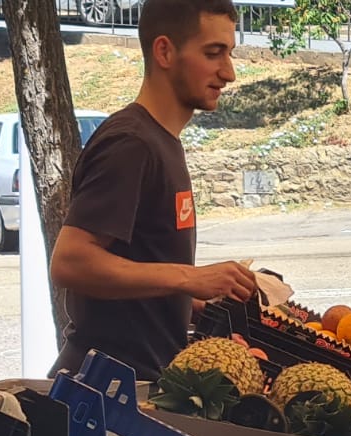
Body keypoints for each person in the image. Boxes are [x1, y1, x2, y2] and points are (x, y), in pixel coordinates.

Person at [48, 0, 258, 381]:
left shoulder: (162, 142)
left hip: (138, 384)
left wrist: (189, 301)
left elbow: (138, 265)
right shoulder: (131, 144)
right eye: (213, 53)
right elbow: (70, 262)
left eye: (229, 54)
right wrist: (190, 278)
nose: (228, 73)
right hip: (102, 393)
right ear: (164, 51)